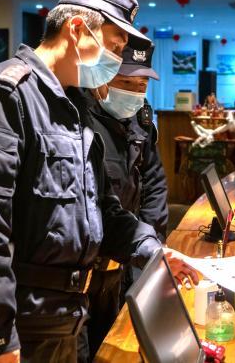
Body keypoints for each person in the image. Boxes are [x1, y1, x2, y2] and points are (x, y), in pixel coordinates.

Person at [0, 0, 197, 363]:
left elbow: (102, 207)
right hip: (16, 322)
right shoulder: (4, 96)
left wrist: (152, 251)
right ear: (76, 30)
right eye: (113, 46)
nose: (115, 61)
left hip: (62, 316)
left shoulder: (73, 105)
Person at [66, 43, 168, 358]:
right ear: (102, 77)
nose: (135, 93)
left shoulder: (141, 120)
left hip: (122, 264)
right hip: (80, 271)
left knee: (111, 347)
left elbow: (154, 183)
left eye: (142, 85)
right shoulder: (77, 120)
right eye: (126, 83)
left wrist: (148, 249)